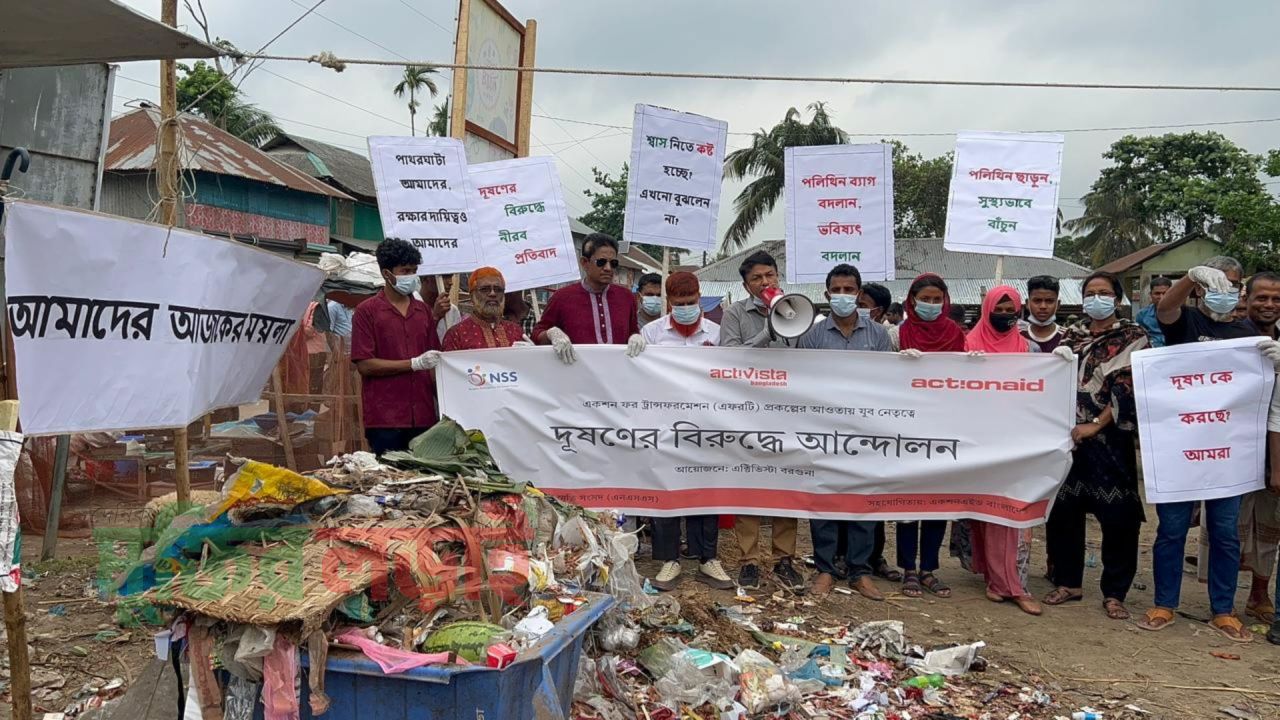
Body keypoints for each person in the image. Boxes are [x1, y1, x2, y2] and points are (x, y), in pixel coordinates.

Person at [1142, 256, 1280, 641]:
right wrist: (1189, 276)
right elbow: (1165, 308)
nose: (1226, 290)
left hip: (1228, 454)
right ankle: (1164, 603)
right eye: (1216, 283)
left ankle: (1223, 610)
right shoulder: (1185, 322)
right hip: (1179, 449)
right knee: (1171, 530)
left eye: (1233, 285)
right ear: (1201, 287)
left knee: (1224, 532)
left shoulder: (1247, 333)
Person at [1043, 272, 1148, 620]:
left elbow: (1128, 389)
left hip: (1110, 440)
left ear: (1117, 300)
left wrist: (1096, 424)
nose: (1096, 299)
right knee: (1063, 514)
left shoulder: (1134, 337)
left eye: (1104, 293)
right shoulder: (1071, 336)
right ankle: (1068, 581)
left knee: (1119, 518)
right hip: (1067, 437)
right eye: (1090, 293)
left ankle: (1115, 592)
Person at [795, 263, 893, 599]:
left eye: (849, 290)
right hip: (825, 431)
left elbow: (889, 384)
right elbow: (801, 384)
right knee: (823, 499)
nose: (842, 296)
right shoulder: (813, 336)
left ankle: (860, 571)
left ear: (859, 294)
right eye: (836, 290)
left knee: (863, 501)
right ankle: (825, 570)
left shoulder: (879, 335)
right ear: (826, 295)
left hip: (865, 431)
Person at [639, 272, 733, 591]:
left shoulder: (717, 334)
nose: (686, 309)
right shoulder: (651, 333)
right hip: (666, 425)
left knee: (706, 489)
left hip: (707, 426)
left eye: (691, 303)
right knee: (667, 489)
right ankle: (669, 560)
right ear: (669, 302)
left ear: (699, 297)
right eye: (679, 304)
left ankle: (707, 557)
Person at [719, 250, 804, 591]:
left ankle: (785, 558)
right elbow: (731, 357)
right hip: (747, 409)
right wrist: (767, 330)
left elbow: (801, 355)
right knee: (749, 483)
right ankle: (749, 560)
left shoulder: (796, 308)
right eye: (757, 278)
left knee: (786, 484)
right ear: (746, 284)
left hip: (786, 409)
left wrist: (782, 320)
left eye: (770, 275)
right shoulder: (735, 314)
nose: (765, 282)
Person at [965, 286, 1050, 616]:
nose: (1004, 314)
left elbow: (1037, 391)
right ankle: (993, 578)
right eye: (998, 308)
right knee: (983, 510)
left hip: (1015, 440)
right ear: (986, 309)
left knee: (1013, 512)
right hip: (977, 439)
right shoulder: (968, 344)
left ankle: (1015, 584)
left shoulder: (1027, 347)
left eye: (1010, 309)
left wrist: (1058, 365)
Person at [895, 273, 968, 599]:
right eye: (925, 299)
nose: (931, 305)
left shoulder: (955, 333)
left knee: (937, 501)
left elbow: (964, 379)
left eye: (937, 299)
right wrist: (899, 362)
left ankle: (929, 569)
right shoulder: (900, 332)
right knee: (910, 502)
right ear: (912, 300)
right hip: (908, 427)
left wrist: (976, 366)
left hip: (944, 425)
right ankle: (908, 568)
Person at [1218, 271, 1280, 625]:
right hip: (1231, 445)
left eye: (1276, 299)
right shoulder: (1227, 336)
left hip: (1277, 447)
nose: (1269, 305)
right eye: (1262, 298)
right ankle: (1222, 600)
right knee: (1229, 527)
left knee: (1271, 523)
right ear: (1248, 297)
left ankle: (1260, 594)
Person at [351, 238, 452, 456]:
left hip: (424, 415)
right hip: (386, 418)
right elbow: (365, 365)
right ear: (387, 274)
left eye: (414, 271)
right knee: (390, 480)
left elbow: (434, 363)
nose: (411, 276)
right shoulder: (366, 312)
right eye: (405, 271)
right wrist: (413, 364)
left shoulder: (423, 311)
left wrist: (446, 404)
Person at [533, 233, 644, 363]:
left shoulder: (626, 297)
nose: (608, 268)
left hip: (618, 374)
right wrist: (551, 333)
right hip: (576, 374)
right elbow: (536, 335)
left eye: (613, 263)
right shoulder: (562, 297)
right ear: (584, 263)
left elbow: (633, 330)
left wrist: (636, 336)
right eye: (601, 262)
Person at [442, 267, 528, 350]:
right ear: (472, 296)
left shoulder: (515, 331)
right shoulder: (456, 335)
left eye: (498, 289)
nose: (492, 294)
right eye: (485, 289)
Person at [1022, 275, 1065, 352]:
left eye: (1049, 301)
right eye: (1037, 300)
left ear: (1058, 305)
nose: (1043, 306)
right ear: (1027, 304)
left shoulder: (1068, 337)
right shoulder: (1017, 335)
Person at [420, 275, 464, 341]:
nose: (451, 282)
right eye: (444, 277)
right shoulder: (410, 307)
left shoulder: (452, 310)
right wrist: (435, 317)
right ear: (426, 278)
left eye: (450, 276)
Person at [859, 282, 899, 351]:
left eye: (863, 305)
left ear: (879, 311)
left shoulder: (886, 336)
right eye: (858, 304)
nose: (858, 308)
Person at [1134, 277, 1172, 348]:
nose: (1161, 297)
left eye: (1165, 293)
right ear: (1151, 295)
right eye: (1157, 293)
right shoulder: (1142, 315)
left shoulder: (1183, 314)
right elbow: (1139, 339)